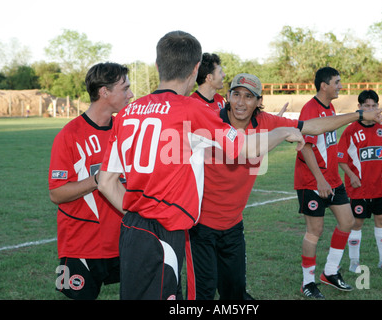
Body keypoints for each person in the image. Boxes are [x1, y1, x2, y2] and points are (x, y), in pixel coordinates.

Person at [97, 31, 304, 300]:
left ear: (158, 65)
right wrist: (283, 132)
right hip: (165, 231)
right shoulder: (192, 111)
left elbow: (105, 182)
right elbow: (243, 148)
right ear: (196, 69)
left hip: (131, 230)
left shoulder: (126, 113)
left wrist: (137, 211)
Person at [190, 73, 382, 300]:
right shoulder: (210, 120)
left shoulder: (265, 121)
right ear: (227, 96)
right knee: (202, 294)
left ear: (258, 101)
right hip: (200, 226)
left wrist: (360, 114)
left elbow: (314, 127)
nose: (240, 102)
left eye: (248, 96)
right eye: (236, 94)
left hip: (233, 226)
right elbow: (243, 146)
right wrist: (280, 132)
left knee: (235, 293)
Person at [48, 62, 134, 299]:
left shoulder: (126, 130)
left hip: (124, 240)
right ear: (104, 92)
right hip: (81, 246)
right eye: (124, 88)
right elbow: (56, 194)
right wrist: (98, 179)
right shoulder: (69, 135)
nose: (131, 94)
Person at [295, 67, 354, 299]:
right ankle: (307, 283)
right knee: (315, 231)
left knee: (347, 221)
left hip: (332, 179)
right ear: (324, 85)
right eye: (337, 82)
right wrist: (319, 179)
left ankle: (329, 272)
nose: (340, 85)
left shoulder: (330, 107)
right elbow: (305, 146)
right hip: (312, 181)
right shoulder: (310, 109)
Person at [338, 90, 382, 274]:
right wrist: (351, 175)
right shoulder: (350, 130)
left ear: (378, 107)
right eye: (367, 106)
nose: (371, 109)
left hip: (380, 185)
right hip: (358, 188)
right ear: (359, 108)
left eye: (374, 106)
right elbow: (341, 158)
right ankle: (354, 261)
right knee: (357, 223)